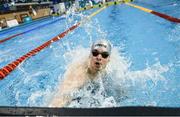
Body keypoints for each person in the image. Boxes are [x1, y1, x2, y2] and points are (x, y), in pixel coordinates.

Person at [49, 39, 116, 107]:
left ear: (109, 59)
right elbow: (63, 96)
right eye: (95, 53)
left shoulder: (113, 68)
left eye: (104, 55)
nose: (99, 57)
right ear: (90, 55)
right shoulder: (80, 73)